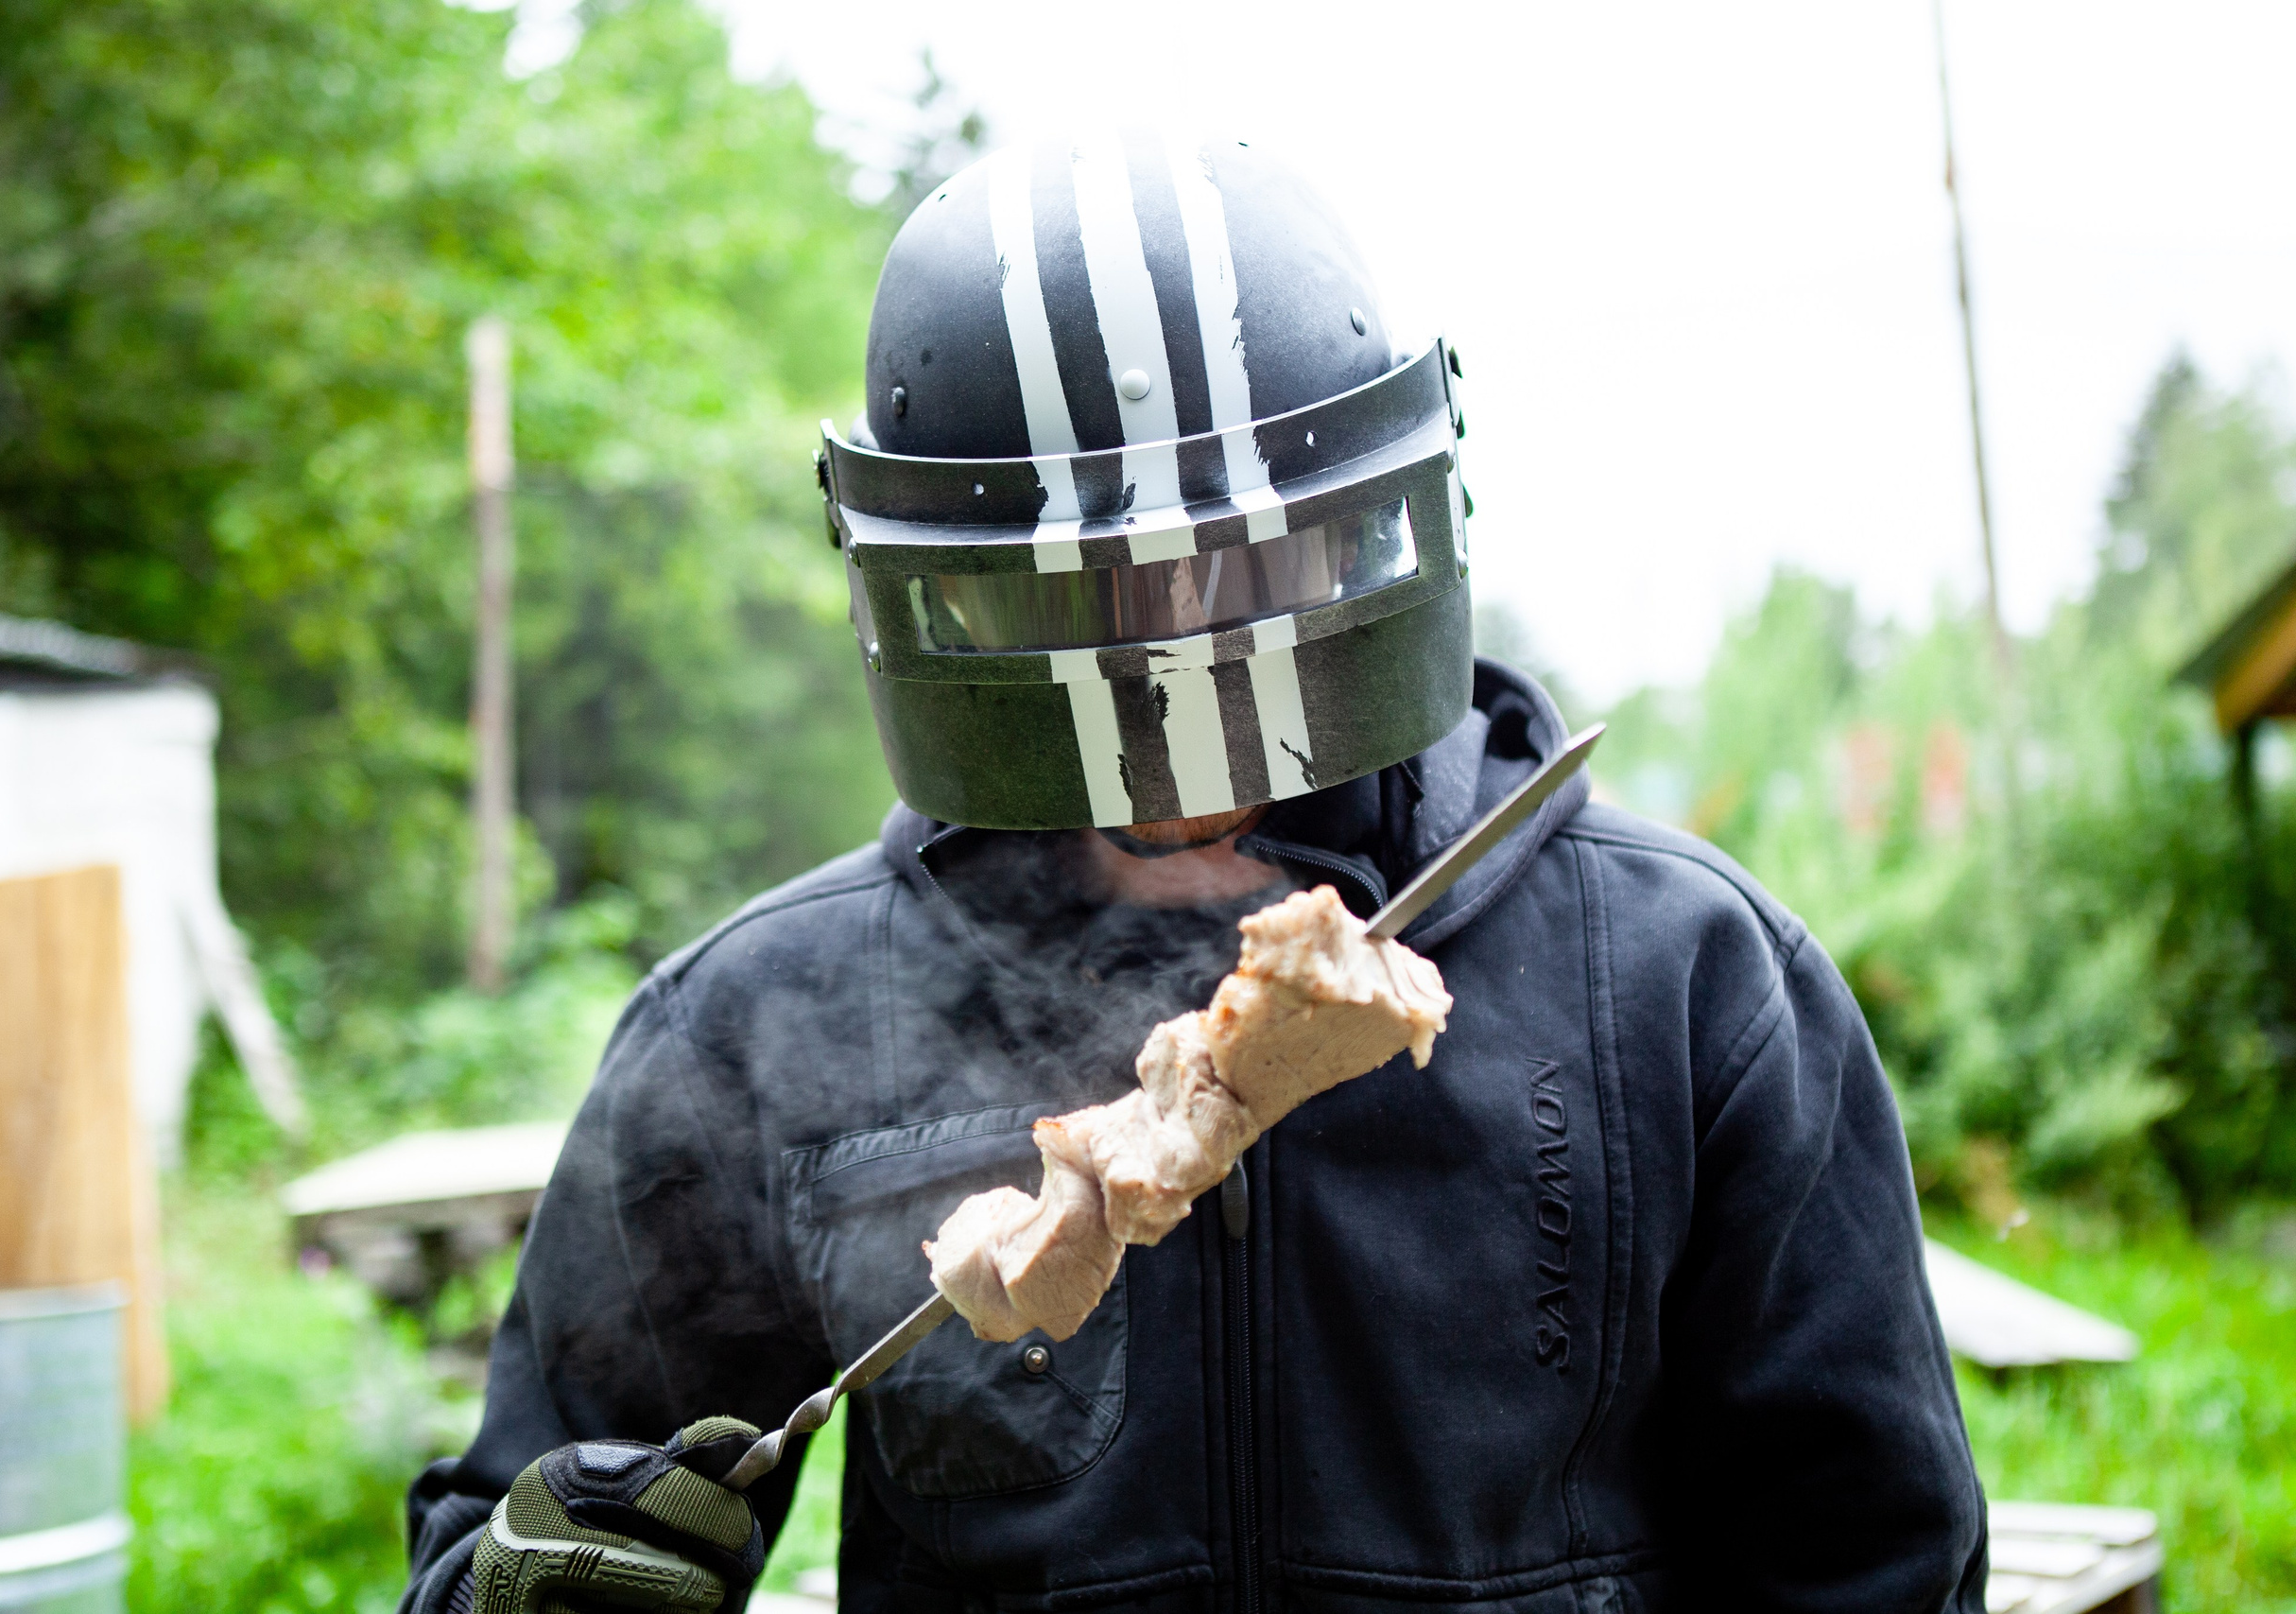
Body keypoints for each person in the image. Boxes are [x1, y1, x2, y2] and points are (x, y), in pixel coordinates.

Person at [402, 131, 1988, 1614]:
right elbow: (489, 1542)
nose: (1172, 743)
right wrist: (538, 1580)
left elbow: (1871, 1558)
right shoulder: (761, 1025)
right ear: (951, 618)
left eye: (1239, 579)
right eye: (1073, 614)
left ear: (1371, 544)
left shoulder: (1681, 975)